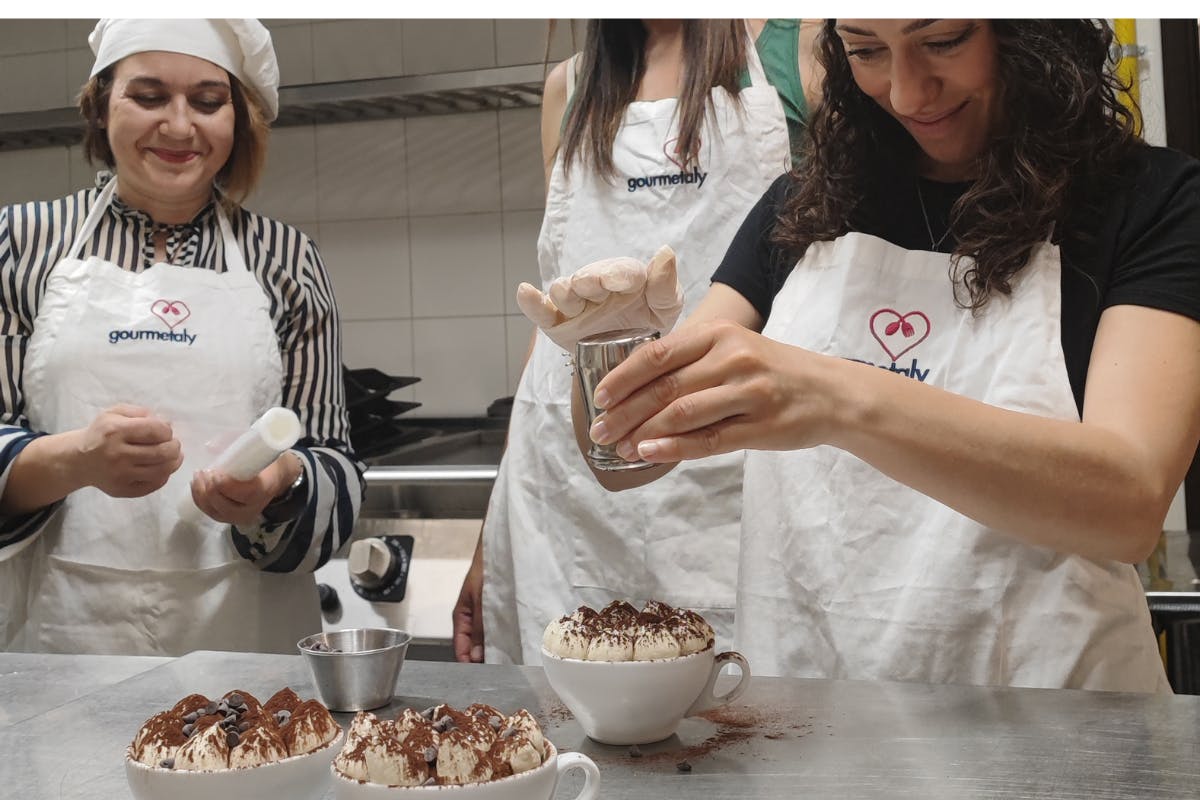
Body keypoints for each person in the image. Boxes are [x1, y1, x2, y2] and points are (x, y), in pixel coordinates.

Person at [521, 19, 1200, 692]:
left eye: (943, 41)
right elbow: (630, 462)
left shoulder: (1150, 201)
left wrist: (837, 400)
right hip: (812, 721)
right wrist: (609, 356)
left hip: (1052, 721)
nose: (907, 93)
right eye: (868, 51)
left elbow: (1128, 505)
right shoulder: (802, 207)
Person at [454, 19, 822, 664]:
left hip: (729, 476)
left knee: (739, 725)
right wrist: (489, 538)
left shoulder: (797, 55)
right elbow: (554, 317)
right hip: (563, 486)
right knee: (572, 732)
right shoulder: (568, 87)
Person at [0, 19, 363, 656]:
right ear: (100, 104)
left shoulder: (287, 258)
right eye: (147, 96)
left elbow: (334, 461)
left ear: (237, 119)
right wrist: (77, 459)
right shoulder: (21, 244)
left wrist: (275, 484)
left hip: (243, 651)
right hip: (57, 639)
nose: (177, 126)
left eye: (207, 101)